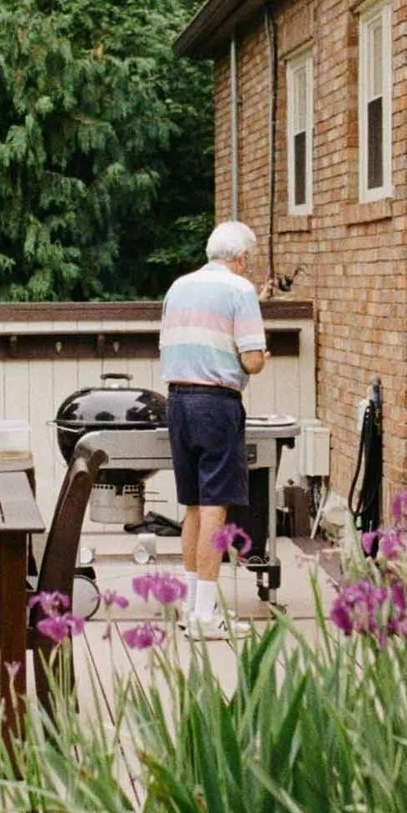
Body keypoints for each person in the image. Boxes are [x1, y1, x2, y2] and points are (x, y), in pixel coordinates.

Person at [158, 220, 268, 638]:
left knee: (191, 506)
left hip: (178, 401)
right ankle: (205, 617)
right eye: (248, 260)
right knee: (214, 508)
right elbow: (252, 359)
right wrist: (260, 356)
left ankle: (191, 606)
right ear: (240, 258)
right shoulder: (240, 291)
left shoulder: (178, 287)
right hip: (215, 404)